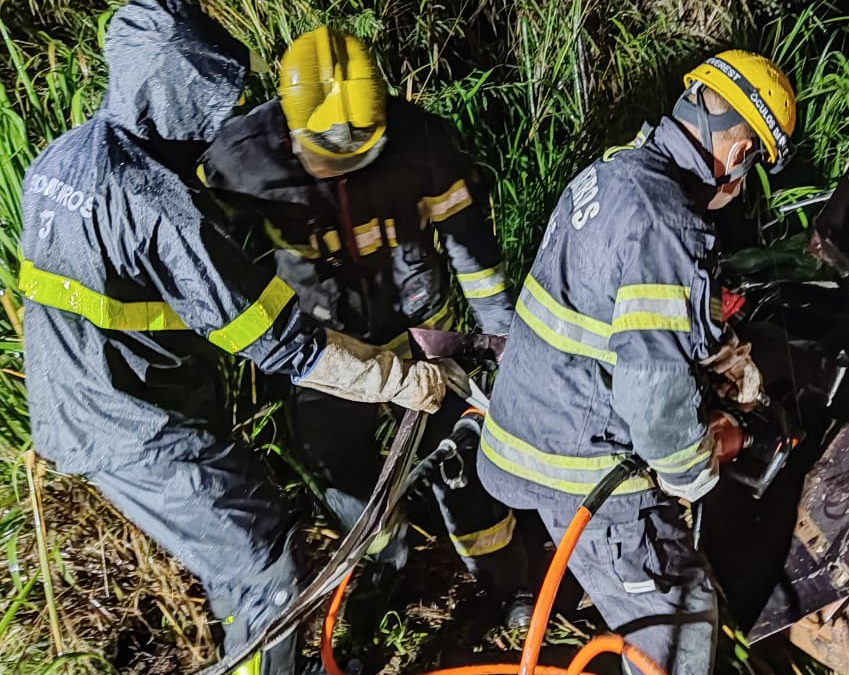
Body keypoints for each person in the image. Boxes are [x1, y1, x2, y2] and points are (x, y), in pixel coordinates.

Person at [18, 2, 461, 674]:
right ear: (171, 91)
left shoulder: (67, 155)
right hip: (136, 423)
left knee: (246, 541)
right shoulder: (156, 205)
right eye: (206, 96)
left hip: (93, 399)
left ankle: (278, 660)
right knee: (264, 564)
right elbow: (280, 341)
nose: (218, 118)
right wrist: (397, 380)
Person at [477, 50, 797, 675]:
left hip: (529, 416)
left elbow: (623, 304)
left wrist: (715, 350)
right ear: (738, 155)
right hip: (582, 464)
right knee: (680, 620)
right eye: (752, 161)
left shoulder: (615, 172)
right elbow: (653, 401)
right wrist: (693, 474)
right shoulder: (669, 223)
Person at [197, 26, 530, 624]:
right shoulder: (241, 159)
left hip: (425, 341)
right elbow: (194, 248)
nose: (340, 170)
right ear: (291, 129)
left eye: (360, 156)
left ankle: (509, 586)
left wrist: (505, 344)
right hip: (328, 356)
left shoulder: (422, 143)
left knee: (463, 460)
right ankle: (388, 567)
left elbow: (471, 251)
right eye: (323, 157)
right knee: (344, 468)